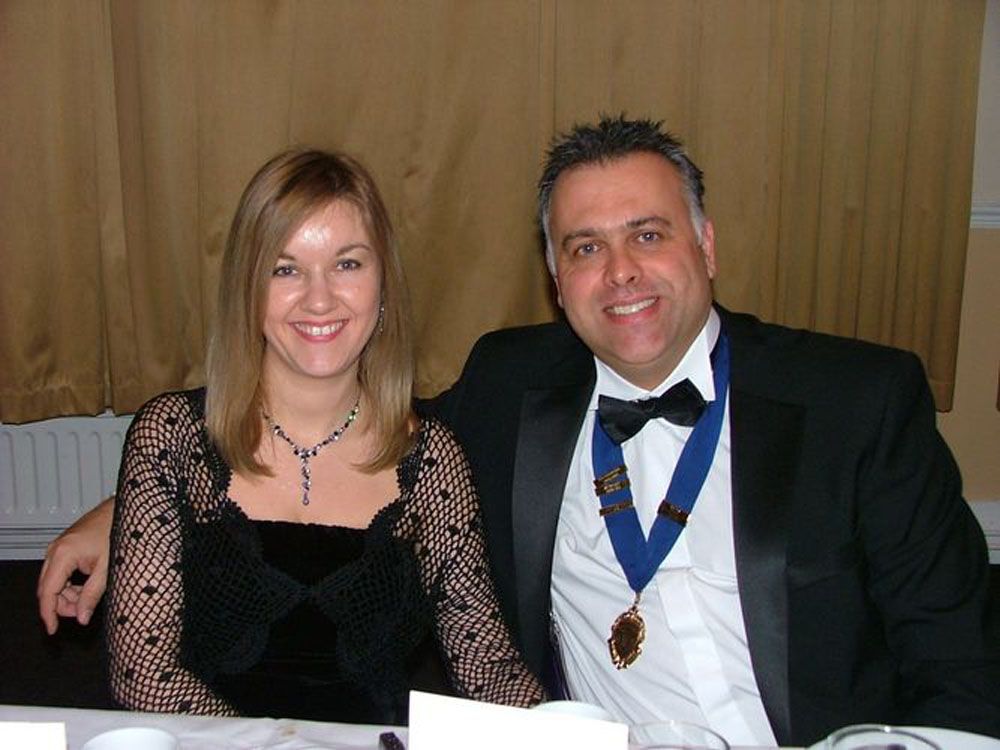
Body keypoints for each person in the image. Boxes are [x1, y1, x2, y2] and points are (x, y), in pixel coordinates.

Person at [39, 118, 999, 746]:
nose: (620, 273)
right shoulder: (512, 390)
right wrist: (123, 508)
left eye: (649, 234)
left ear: (706, 244)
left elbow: (961, 668)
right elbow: (307, 456)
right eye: (586, 247)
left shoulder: (857, 401)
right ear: (554, 274)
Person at [51, 147, 544, 723]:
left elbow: (485, 663)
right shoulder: (173, 437)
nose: (319, 298)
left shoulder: (432, 461)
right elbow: (145, 675)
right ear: (248, 288)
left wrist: (572, 734)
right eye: (285, 269)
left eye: (347, 264)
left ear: (383, 283)